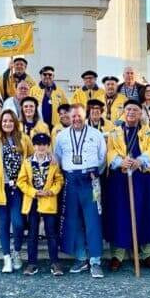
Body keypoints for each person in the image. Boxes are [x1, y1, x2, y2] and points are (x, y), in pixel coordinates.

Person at [105, 100, 150, 272]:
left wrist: (139, 160)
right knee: (121, 215)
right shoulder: (115, 132)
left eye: (135, 110)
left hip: (143, 179)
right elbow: (110, 151)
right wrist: (121, 161)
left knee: (146, 214)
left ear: (140, 113)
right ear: (124, 112)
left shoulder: (148, 132)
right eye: (128, 109)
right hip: (121, 180)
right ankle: (118, 255)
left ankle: (147, 254)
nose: (131, 112)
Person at [54, 104, 107, 278]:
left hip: (90, 180)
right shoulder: (61, 136)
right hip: (71, 180)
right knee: (73, 221)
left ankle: (96, 261)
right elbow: (59, 157)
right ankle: (81, 257)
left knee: (93, 221)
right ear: (69, 117)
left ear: (85, 116)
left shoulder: (96, 134)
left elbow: (102, 158)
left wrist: (93, 172)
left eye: (79, 116)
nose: (76, 119)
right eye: (73, 116)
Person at [0, 110, 31, 274]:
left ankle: (16, 251)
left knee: (18, 223)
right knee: (3, 224)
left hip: (19, 188)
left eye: (10, 121)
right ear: (0, 123)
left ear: (15, 122)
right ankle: (6, 258)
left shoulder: (24, 139)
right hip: (0, 188)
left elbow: (32, 159)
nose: (7, 124)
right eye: (4, 121)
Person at [17, 132, 64, 276]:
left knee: (51, 232)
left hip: (48, 201)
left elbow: (59, 180)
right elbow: (21, 181)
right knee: (32, 233)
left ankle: (55, 262)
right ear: (34, 146)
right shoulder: (27, 162)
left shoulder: (53, 163)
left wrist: (51, 191)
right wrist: (33, 192)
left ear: (48, 146)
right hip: (33, 201)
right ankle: (32, 263)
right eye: (38, 144)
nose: (41, 147)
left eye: (44, 144)